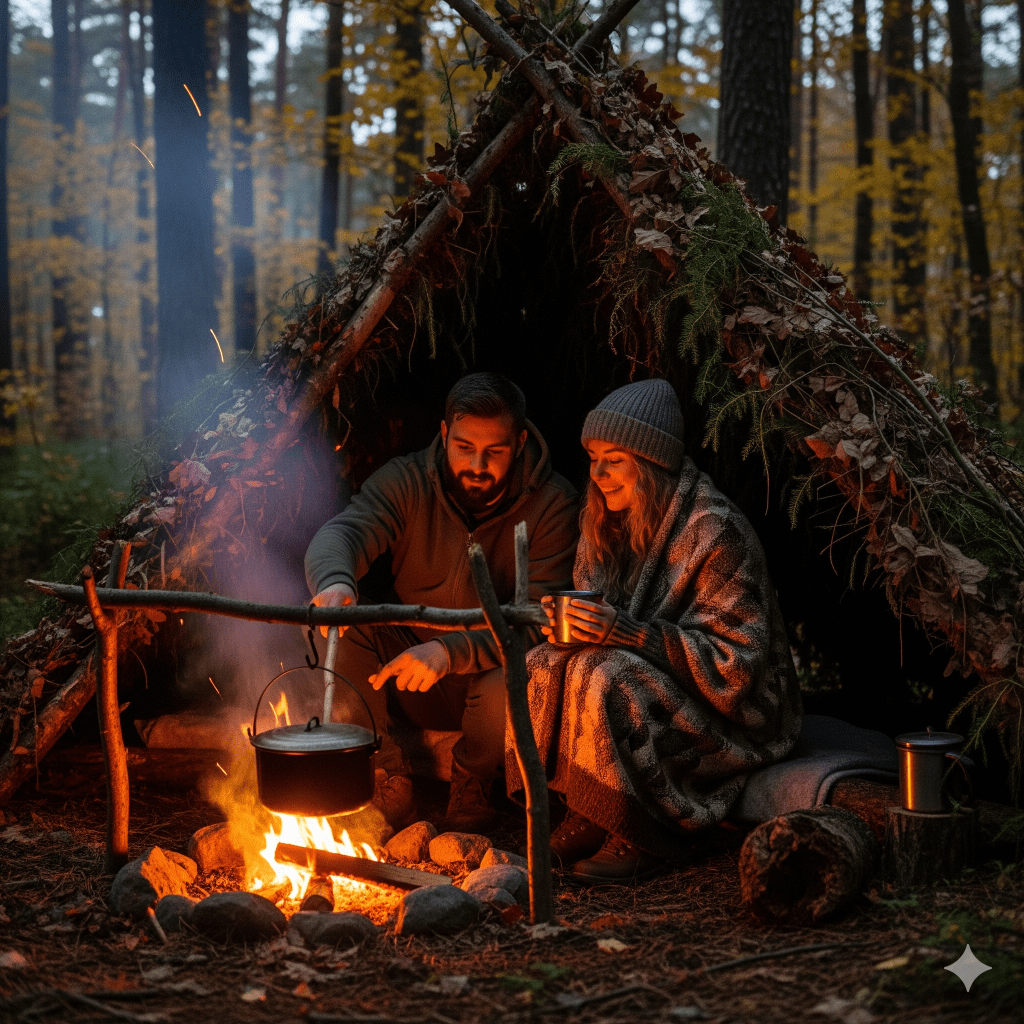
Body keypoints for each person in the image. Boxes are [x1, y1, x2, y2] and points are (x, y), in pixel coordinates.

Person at [508, 378, 803, 882]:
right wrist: (573, 630)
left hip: (738, 714)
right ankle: (588, 808)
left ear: (651, 463)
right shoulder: (602, 519)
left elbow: (737, 669)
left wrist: (629, 634)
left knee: (607, 676)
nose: (597, 474)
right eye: (593, 458)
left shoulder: (715, 532)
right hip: (649, 671)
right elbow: (595, 615)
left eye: (614, 460)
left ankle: (638, 827)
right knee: (540, 663)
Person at [306, 372, 578, 832]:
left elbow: (538, 620)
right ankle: (385, 776)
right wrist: (335, 582)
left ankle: (474, 778)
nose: (477, 464)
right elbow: (345, 532)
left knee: (520, 672)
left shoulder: (553, 505)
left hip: (489, 678)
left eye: (495, 451)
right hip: (406, 670)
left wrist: (447, 652)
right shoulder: (409, 481)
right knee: (335, 625)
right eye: (464, 447)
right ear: (445, 433)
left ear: (519, 442)